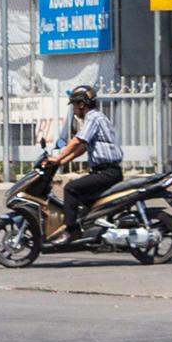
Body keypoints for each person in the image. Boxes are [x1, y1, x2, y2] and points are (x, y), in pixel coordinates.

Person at [46, 85, 123, 237]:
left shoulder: (93, 118)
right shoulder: (97, 117)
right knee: (83, 198)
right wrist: (64, 161)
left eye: (74, 105)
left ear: (82, 104)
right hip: (106, 171)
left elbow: (77, 141)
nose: (74, 110)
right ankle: (93, 229)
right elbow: (84, 146)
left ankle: (71, 231)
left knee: (70, 189)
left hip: (107, 172)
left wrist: (58, 157)